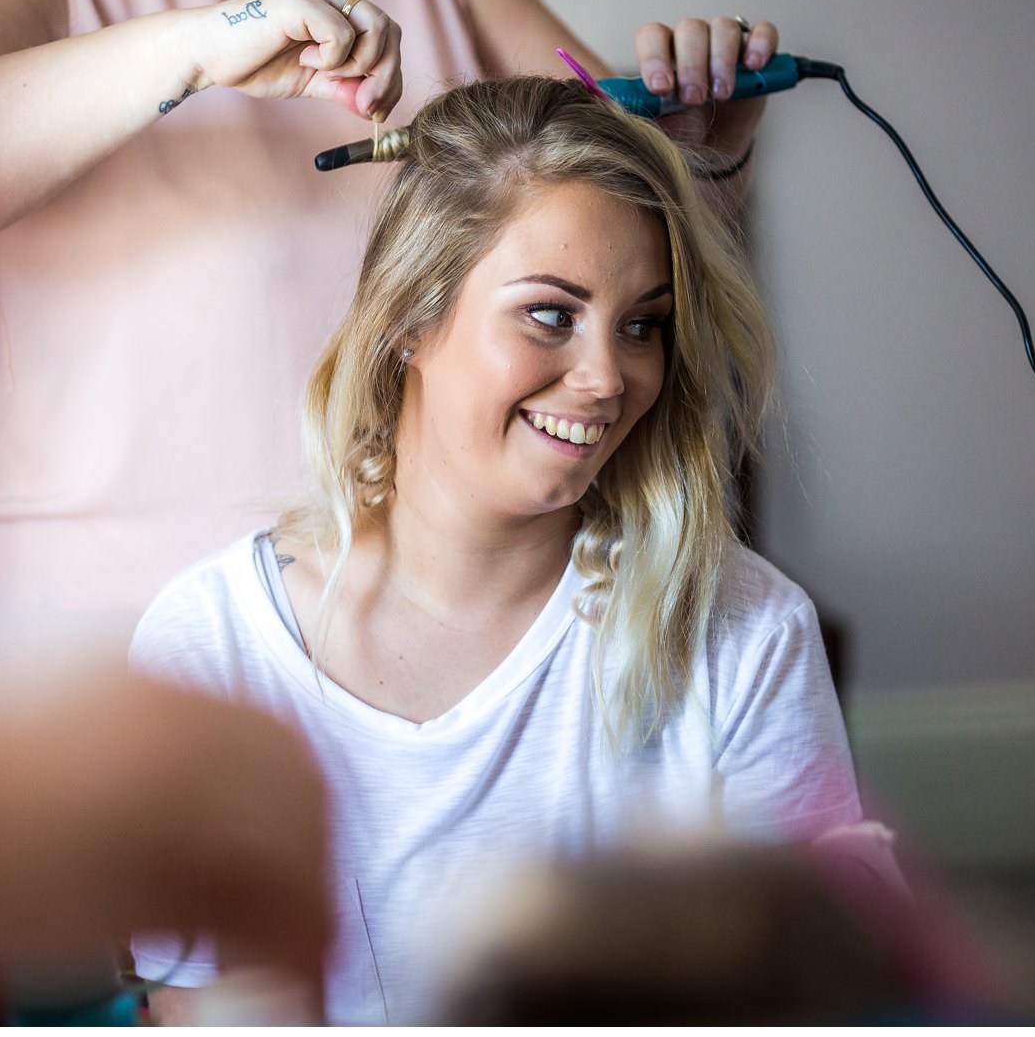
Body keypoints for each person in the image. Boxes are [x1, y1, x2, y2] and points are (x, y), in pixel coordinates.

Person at [127, 75, 872, 1024]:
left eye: (643, 325)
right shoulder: (216, 649)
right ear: (408, 319)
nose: (610, 379)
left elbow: (803, 996)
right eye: (550, 314)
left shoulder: (745, 631)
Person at [0, 0, 780, 653]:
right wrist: (196, 46)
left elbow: (626, 246)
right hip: (95, 637)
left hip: (386, 636)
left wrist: (701, 153)